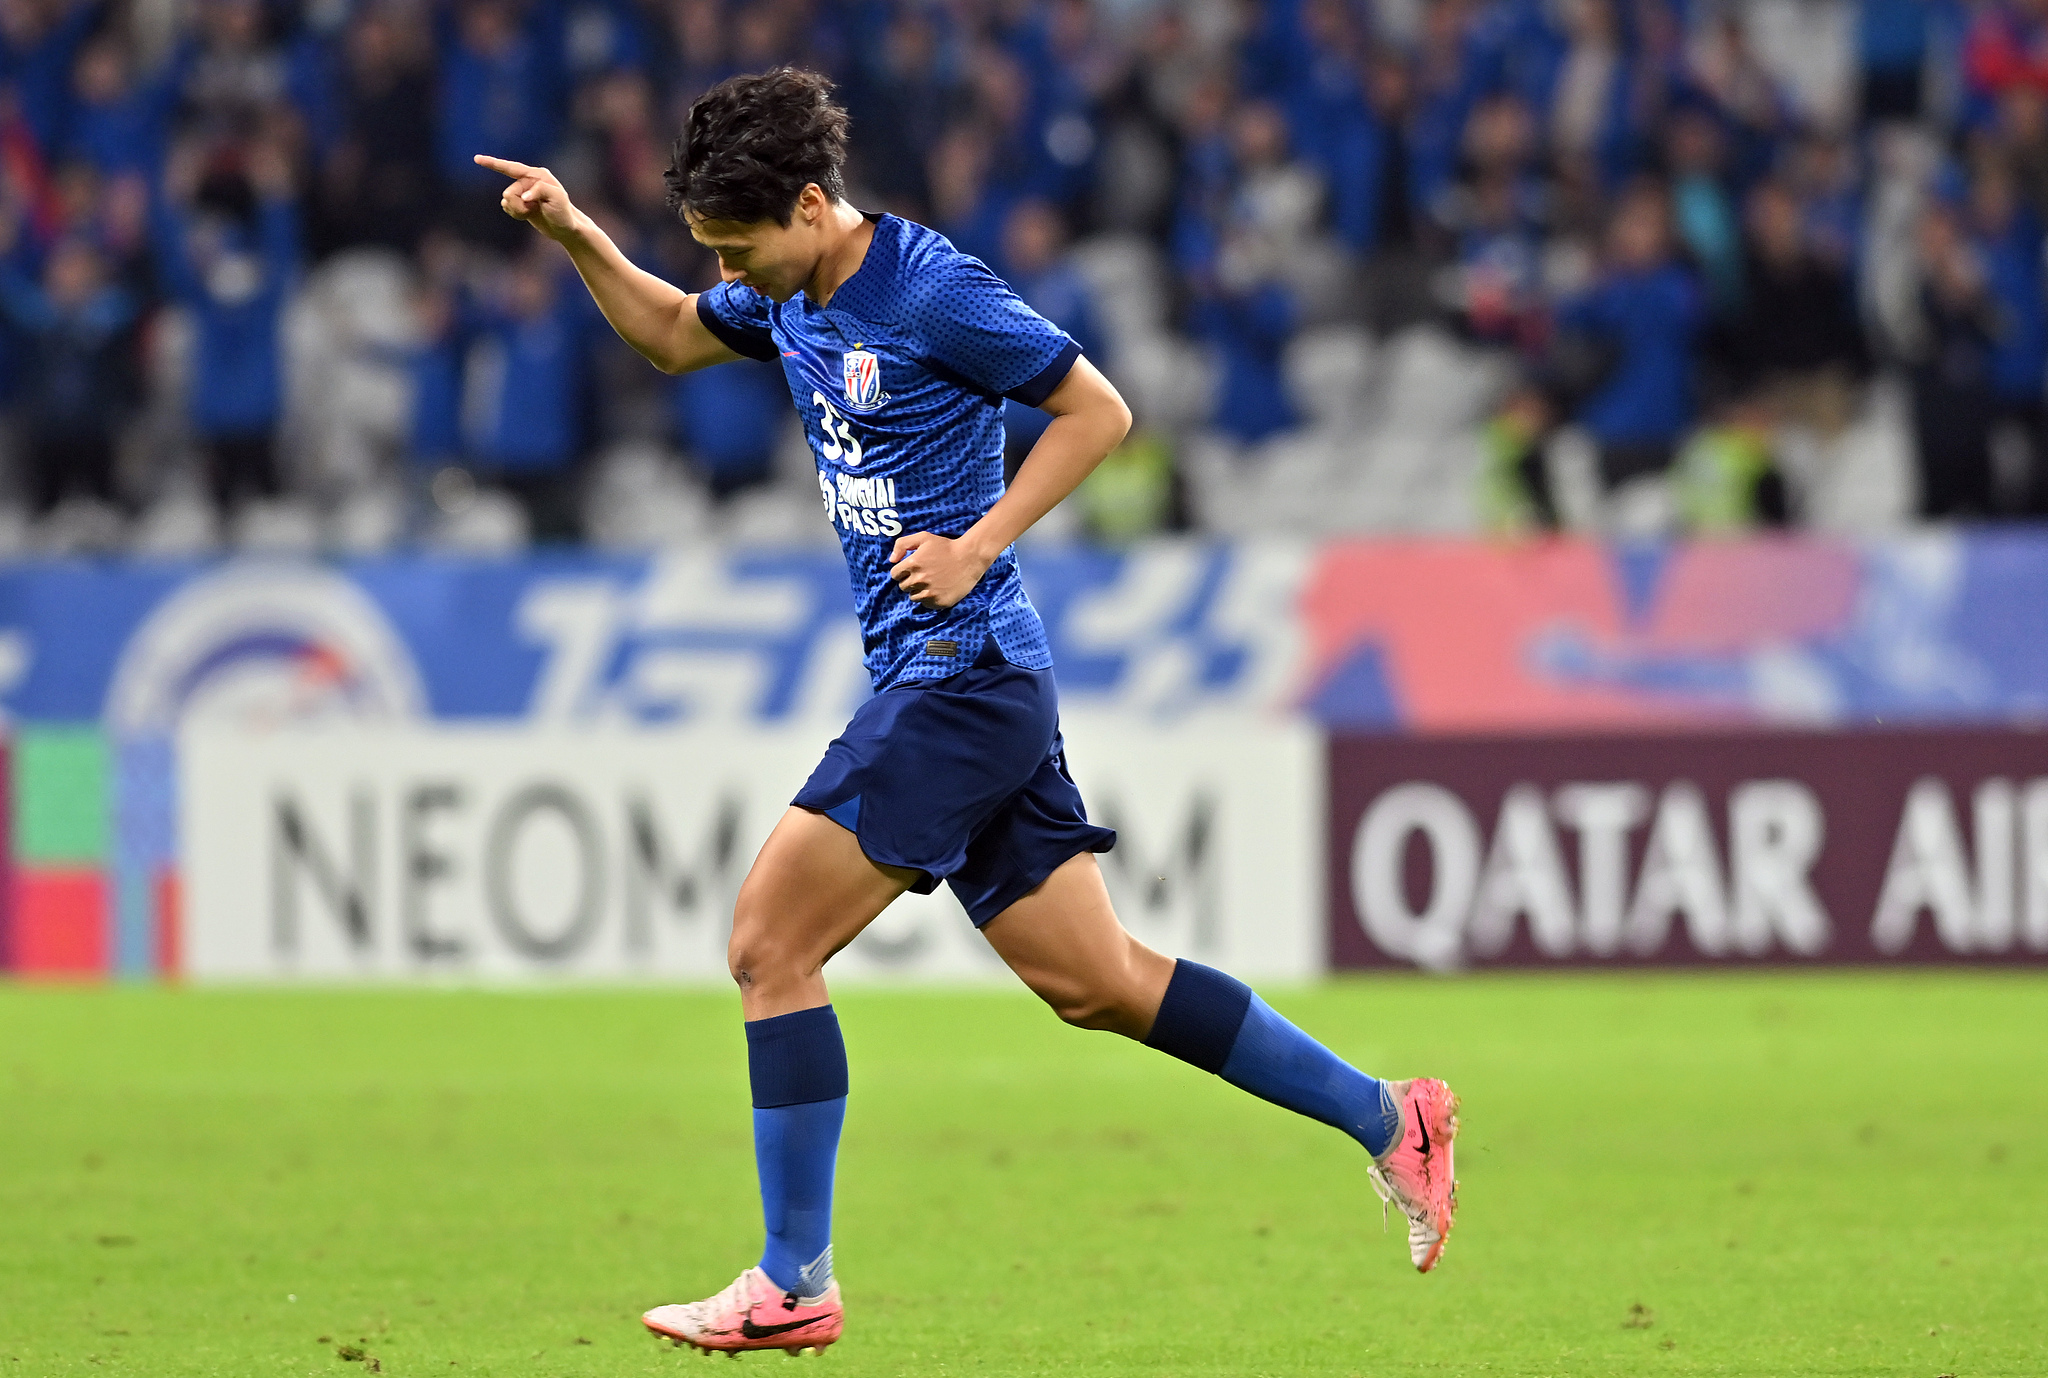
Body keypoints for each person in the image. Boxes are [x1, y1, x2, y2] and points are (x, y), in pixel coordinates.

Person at [476, 66, 1459, 1358]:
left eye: (740, 245)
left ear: (814, 203)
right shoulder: (794, 295)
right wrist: (573, 233)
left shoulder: (929, 289)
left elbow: (1098, 410)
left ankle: (793, 1276)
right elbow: (666, 333)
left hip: (966, 676)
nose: (731, 271)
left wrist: (980, 539)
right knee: (1099, 982)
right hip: (958, 684)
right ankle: (1397, 1119)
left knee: (769, 940)